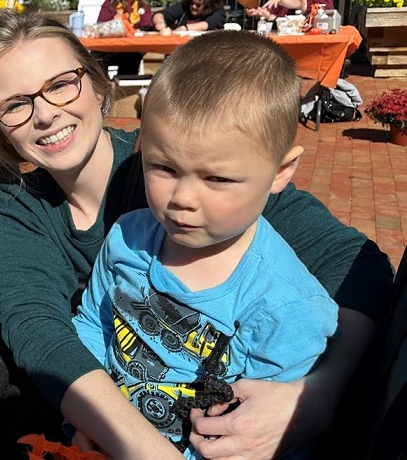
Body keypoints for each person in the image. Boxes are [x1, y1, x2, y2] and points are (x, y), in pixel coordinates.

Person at [0, 8, 392, 459]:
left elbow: (355, 265)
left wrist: (318, 395)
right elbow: (40, 330)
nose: (44, 115)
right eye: (15, 105)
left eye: (59, 85)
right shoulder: (26, 206)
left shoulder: (196, 153)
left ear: (96, 83)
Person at [71, 32, 339, 457]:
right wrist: (86, 418)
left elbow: (263, 435)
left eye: (217, 178)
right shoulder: (127, 238)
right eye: (163, 167)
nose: (183, 198)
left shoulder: (287, 306)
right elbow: (93, 325)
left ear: (281, 172)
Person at [96, 0, 154, 77]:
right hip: (111, 48)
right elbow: (101, 26)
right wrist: (115, 24)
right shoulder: (110, 4)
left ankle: (125, 86)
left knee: (132, 56)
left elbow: (147, 26)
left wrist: (134, 30)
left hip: (132, 48)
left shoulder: (143, 6)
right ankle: (102, 84)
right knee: (96, 56)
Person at [152, 0, 226, 34]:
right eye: (192, 3)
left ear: (208, 5)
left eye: (198, 5)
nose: (193, 6)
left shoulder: (218, 12)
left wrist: (185, 28)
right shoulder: (185, 6)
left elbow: (210, 24)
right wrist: (160, 23)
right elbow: (162, 14)